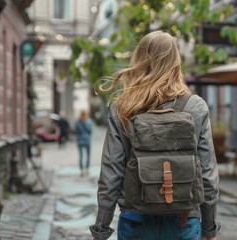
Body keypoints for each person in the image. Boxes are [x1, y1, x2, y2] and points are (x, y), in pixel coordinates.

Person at [90, 31, 220, 240]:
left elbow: (111, 174)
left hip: (136, 219)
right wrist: (209, 228)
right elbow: (207, 174)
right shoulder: (195, 107)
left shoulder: (123, 108)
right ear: (175, 62)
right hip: (184, 220)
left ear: (139, 60)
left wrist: (101, 228)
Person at [74, 110, 93, 176]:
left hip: (80, 140)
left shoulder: (77, 122)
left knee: (81, 156)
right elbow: (90, 131)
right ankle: (87, 169)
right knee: (88, 155)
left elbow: (75, 131)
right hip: (87, 140)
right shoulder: (89, 121)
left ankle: (81, 170)